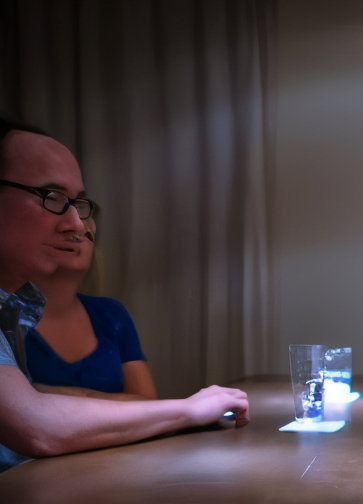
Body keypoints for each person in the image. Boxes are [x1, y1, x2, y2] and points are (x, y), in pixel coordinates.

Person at [0, 117, 249, 473]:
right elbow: (36, 426)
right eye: (51, 197)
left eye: (77, 203)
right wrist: (188, 408)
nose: (77, 225)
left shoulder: (18, 309)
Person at [23, 214, 159, 399]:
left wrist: (49, 393)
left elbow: (147, 402)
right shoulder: (8, 315)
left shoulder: (111, 313)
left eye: (88, 235)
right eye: (62, 231)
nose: (78, 234)